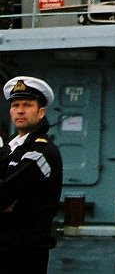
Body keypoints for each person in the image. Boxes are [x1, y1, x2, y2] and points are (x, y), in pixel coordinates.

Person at [0, 76, 63, 273]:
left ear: (41, 112)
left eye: (27, 105)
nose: (20, 110)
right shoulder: (10, 148)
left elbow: (2, 195)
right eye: (15, 105)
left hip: (25, 252)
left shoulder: (41, 152)